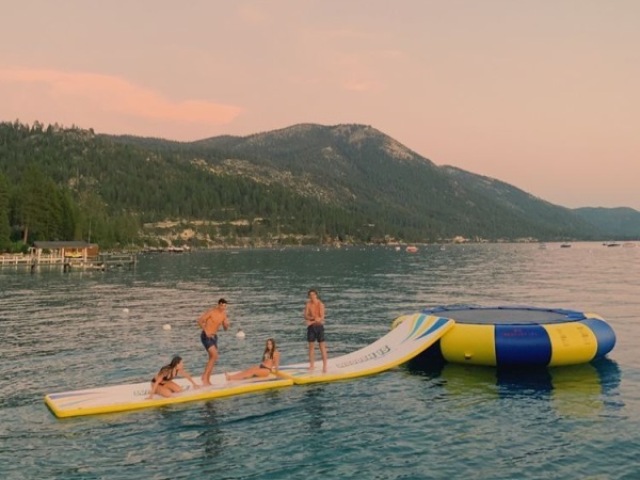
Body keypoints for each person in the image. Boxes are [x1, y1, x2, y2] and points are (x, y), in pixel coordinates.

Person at [197, 298, 230, 385]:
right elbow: (200, 321)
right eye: (222, 305)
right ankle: (204, 377)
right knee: (214, 356)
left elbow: (225, 329)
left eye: (225, 306)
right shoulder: (211, 312)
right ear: (218, 304)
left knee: (212, 358)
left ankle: (207, 379)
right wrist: (206, 331)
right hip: (206, 336)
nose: (223, 308)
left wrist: (226, 326)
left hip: (214, 338)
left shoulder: (224, 315)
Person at [304, 288, 328, 372]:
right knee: (311, 347)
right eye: (310, 295)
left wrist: (311, 321)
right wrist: (313, 318)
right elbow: (306, 316)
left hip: (319, 327)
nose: (312, 296)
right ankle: (312, 365)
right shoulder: (308, 304)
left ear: (316, 295)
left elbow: (321, 318)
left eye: (313, 295)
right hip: (311, 328)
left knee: (322, 347)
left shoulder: (320, 304)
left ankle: (325, 366)